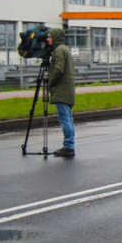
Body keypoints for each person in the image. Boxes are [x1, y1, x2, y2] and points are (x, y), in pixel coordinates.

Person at [46, 27, 76, 157]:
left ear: (56, 37)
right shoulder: (64, 49)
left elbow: (58, 69)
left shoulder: (58, 51)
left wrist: (50, 83)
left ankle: (68, 146)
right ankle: (69, 145)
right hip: (68, 89)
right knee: (68, 118)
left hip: (62, 90)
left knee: (65, 119)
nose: (47, 39)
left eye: (50, 37)